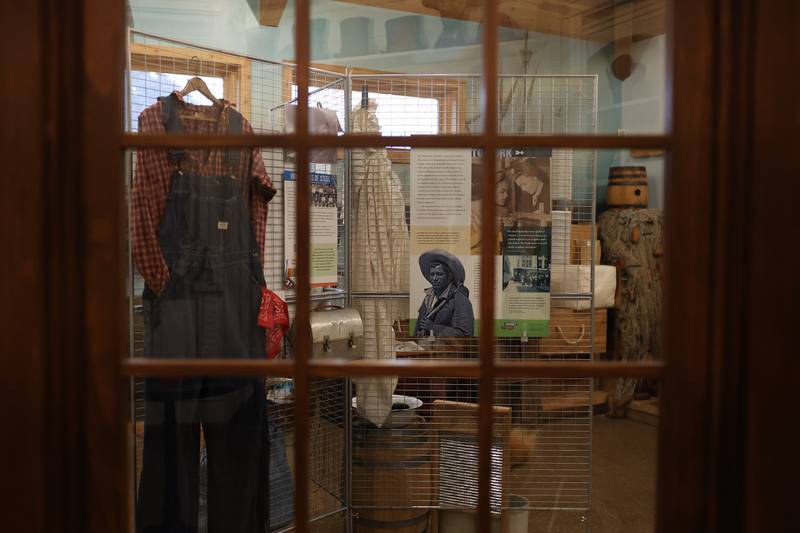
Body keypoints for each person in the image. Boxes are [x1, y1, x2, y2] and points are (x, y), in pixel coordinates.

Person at [414, 250, 475, 337]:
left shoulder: (460, 301)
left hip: (446, 350)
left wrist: (433, 328)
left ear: (449, 276)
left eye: (439, 274)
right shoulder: (428, 298)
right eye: (432, 274)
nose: (434, 278)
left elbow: (466, 335)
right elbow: (418, 330)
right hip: (425, 349)